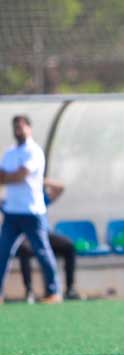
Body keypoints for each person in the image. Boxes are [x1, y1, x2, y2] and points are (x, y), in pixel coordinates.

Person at [0, 115, 61, 305]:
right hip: (12, 212)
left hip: (32, 211)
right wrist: (12, 176)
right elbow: (5, 176)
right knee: (3, 253)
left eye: (22, 126)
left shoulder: (34, 151)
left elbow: (20, 175)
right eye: (15, 127)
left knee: (42, 252)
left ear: (29, 128)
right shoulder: (10, 153)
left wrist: (11, 176)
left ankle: (53, 292)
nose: (18, 130)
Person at [16, 179, 81, 303]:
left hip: (45, 235)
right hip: (26, 237)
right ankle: (29, 291)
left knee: (68, 246)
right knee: (23, 249)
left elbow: (60, 188)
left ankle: (70, 288)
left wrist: (37, 179)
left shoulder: (39, 199)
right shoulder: (17, 203)